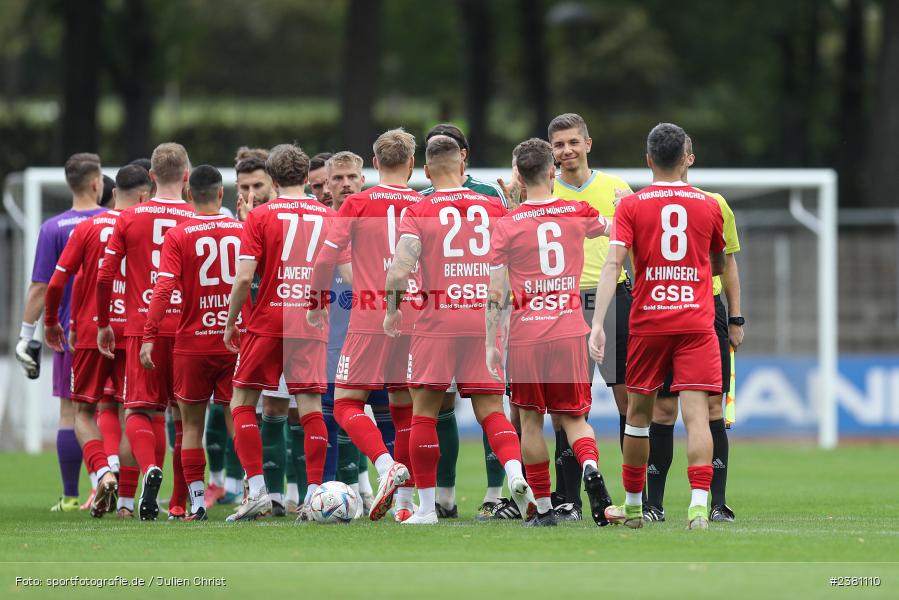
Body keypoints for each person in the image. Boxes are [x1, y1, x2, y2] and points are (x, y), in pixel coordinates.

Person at [384, 135, 535, 525]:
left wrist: (391, 310)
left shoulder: (420, 207)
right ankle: (516, 474)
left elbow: (400, 269)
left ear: (427, 171)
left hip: (437, 321)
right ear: (463, 167)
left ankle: (428, 508)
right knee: (491, 410)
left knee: (424, 413)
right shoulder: (493, 206)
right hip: (482, 320)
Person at [589, 122, 726, 530]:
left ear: (648, 160)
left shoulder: (630, 206)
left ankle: (633, 507)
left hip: (648, 321)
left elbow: (613, 262)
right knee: (697, 416)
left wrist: (597, 322)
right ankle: (699, 506)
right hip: (696, 321)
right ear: (686, 158)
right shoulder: (708, 204)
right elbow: (717, 262)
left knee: (638, 416)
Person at [486, 138, 615, 527]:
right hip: (570, 330)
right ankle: (590, 466)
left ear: (519, 179)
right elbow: (612, 228)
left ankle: (543, 508)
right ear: (552, 171)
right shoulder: (578, 211)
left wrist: (493, 345)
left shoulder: (506, 225)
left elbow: (496, 292)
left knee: (530, 419)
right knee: (574, 418)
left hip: (527, 336)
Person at [308, 128, 421, 522]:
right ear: (411, 164)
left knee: (345, 404)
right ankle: (406, 507)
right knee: (404, 408)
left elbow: (325, 260)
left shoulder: (357, 203)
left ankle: (385, 465)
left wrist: (317, 302)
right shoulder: (423, 203)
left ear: (373, 164)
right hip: (416, 315)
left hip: (372, 315)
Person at [223, 143, 337, 522]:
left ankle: (256, 490)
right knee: (310, 406)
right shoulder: (327, 215)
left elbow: (243, 278)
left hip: (268, 321)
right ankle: (315, 495)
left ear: (271, 180)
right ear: (307, 178)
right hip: (308, 322)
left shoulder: (259, 216)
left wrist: (230, 320)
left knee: (242, 403)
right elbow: (348, 276)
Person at [645, 134, 745, 523]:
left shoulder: (715, 203)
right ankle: (654, 504)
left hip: (707, 312)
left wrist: (735, 317)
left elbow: (729, 262)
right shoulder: (647, 203)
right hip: (666, 310)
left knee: (712, 406)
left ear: (691, 158)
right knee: (665, 407)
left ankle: (716, 502)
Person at [96, 143, 196, 521]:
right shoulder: (198, 216)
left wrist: (105, 322)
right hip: (189, 330)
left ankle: (147, 470)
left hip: (143, 329)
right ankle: (178, 504)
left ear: (151, 177)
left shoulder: (128, 217)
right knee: (187, 418)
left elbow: (106, 274)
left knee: (138, 410)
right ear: (186, 176)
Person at [43, 164, 151, 518]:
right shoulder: (144, 226)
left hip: (92, 331)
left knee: (83, 412)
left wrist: (52, 322)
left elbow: (57, 282)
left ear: (110, 190)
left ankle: (103, 472)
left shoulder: (89, 227)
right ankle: (124, 505)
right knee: (130, 413)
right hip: (133, 330)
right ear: (141, 194)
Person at [419, 123, 510, 519]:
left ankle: (490, 493)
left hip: (442, 318)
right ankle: (448, 494)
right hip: (482, 315)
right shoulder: (492, 198)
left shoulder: (483, 193)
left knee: (474, 403)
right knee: (458, 404)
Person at [142, 165, 244, 521]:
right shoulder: (241, 228)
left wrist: (149, 335)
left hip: (193, 343)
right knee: (240, 417)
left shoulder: (179, 235)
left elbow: (164, 288)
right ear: (221, 194)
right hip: (235, 341)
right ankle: (254, 491)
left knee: (191, 427)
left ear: (189, 195)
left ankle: (196, 502)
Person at [546, 113, 633, 520]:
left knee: (627, 402)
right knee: (568, 407)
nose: (566, 151)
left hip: (614, 300)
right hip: (564, 303)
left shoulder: (618, 189)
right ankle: (567, 499)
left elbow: (639, 244)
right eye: (559, 145)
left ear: (588, 144)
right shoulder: (545, 192)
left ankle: (637, 497)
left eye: (572, 142)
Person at [15, 152, 108, 512]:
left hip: (72, 334)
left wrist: (28, 334)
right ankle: (119, 489)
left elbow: (41, 287)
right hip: (115, 329)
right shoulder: (113, 220)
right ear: (97, 183)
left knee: (71, 412)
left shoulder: (54, 228)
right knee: (114, 410)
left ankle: (71, 496)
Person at [318, 151, 390, 517]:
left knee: (386, 414)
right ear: (326, 185)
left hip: (374, 330)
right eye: (338, 178)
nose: (346, 184)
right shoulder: (326, 222)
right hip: (336, 337)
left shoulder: (375, 216)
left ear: (363, 179)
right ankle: (331, 491)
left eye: (352, 177)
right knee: (332, 417)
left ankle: (393, 494)